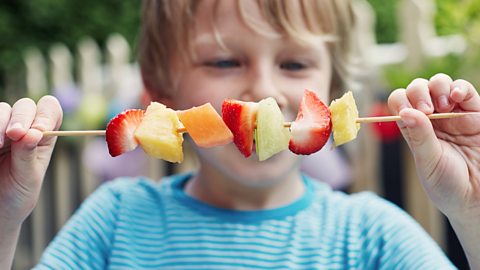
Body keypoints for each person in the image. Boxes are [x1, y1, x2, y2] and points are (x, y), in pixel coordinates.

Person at [1, 0, 479, 269]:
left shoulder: (373, 237)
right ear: (161, 92)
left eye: (294, 63)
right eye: (224, 61)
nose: (264, 91)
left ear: (332, 90)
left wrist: (472, 209)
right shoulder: (113, 224)